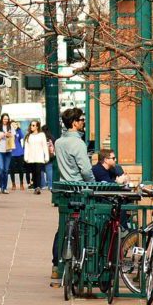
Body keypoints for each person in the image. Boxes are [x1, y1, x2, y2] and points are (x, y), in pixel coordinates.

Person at [52, 107, 94, 279]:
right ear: (75, 123)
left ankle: (56, 265)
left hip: (64, 189)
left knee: (63, 227)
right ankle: (79, 265)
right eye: (81, 120)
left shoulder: (59, 142)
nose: (83, 123)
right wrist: (92, 184)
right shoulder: (78, 143)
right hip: (79, 190)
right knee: (82, 227)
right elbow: (85, 170)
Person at [22, 121, 49, 194]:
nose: (32, 126)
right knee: (33, 173)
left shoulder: (42, 135)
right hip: (31, 157)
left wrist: (46, 156)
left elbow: (44, 146)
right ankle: (35, 186)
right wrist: (26, 157)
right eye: (31, 125)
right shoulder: (28, 136)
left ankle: (38, 187)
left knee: (38, 172)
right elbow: (27, 147)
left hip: (39, 157)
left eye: (33, 125)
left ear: (37, 126)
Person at [5, 115, 27, 191]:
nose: (14, 125)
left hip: (19, 152)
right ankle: (13, 183)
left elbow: (22, 136)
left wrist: (18, 128)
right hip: (11, 153)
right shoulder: (8, 131)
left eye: (15, 124)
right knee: (12, 169)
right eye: (12, 124)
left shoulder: (18, 131)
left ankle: (21, 183)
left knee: (21, 169)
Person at [42, 124, 56, 188]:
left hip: (42, 155)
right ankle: (50, 185)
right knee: (49, 169)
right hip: (50, 155)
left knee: (41, 170)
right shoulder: (52, 137)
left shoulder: (41, 137)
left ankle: (43, 184)